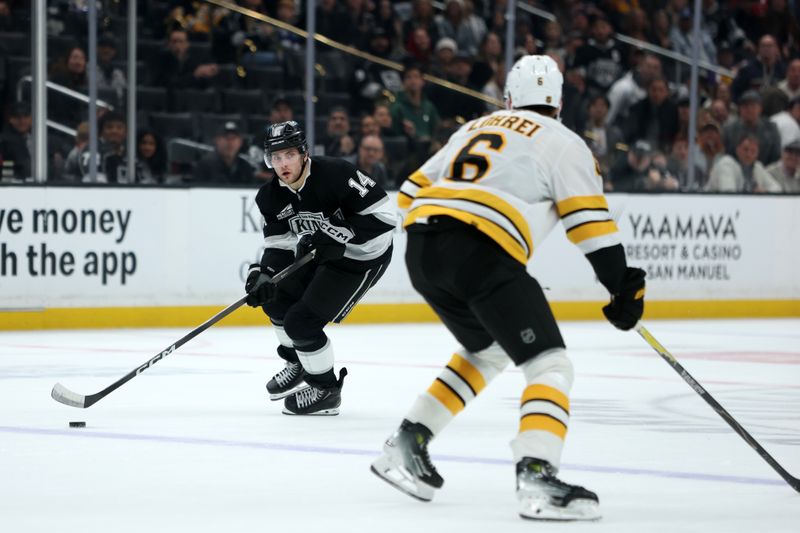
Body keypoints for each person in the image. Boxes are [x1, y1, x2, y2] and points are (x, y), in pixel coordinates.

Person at [371, 55, 645, 521]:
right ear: (559, 103)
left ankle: (407, 440)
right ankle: (537, 475)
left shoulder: (474, 128)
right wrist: (622, 287)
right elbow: (590, 224)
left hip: (421, 249)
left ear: (509, 99)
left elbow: (409, 192)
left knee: (492, 348)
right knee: (550, 365)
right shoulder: (564, 141)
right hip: (480, 250)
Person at [244, 120, 395, 415]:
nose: (283, 163)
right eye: (275, 157)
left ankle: (325, 390)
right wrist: (263, 273)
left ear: (304, 153)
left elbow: (387, 217)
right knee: (275, 296)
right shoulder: (270, 196)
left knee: (301, 323)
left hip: (362, 257)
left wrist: (342, 234)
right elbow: (279, 244)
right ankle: (299, 361)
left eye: (289, 154)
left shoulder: (337, 173)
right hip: (324, 251)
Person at [191, 121, 255, 184]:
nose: (230, 142)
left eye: (233, 138)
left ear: (240, 142)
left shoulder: (245, 167)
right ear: (216, 140)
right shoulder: (204, 166)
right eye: (226, 138)